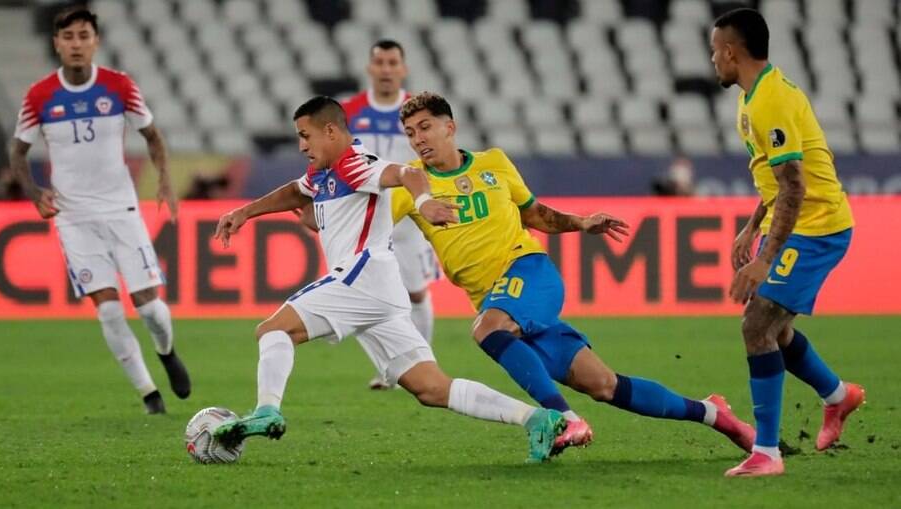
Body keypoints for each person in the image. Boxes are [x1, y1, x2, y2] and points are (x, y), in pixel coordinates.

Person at [393, 92, 755, 457]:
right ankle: (712, 413)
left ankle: (564, 418)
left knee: (487, 329)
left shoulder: (494, 163)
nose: (418, 139)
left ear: (450, 127)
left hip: (529, 272)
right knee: (604, 385)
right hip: (499, 302)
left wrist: (581, 222)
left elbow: (533, 214)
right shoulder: (411, 185)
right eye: (410, 133)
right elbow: (368, 217)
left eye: (425, 127)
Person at [212, 96, 568, 463]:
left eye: (306, 136)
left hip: (359, 278)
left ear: (331, 131)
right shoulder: (323, 170)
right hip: (380, 292)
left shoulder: (356, 163)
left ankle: (267, 410)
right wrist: (245, 211)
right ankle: (538, 418)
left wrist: (425, 201)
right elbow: (295, 191)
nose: (302, 145)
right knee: (431, 388)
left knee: (272, 330)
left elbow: (407, 174)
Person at [8, 7, 190, 414]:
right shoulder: (39, 96)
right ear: (56, 43)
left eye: (83, 36)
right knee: (108, 308)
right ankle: (149, 395)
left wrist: (164, 181)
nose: (76, 44)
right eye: (68, 37)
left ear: (96, 41)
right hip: (74, 217)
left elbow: (153, 136)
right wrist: (34, 190)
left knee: (149, 306)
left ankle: (166, 351)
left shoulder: (119, 86)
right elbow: (17, 152)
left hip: (122, 209)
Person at [710, 8, 864, 477]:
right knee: (773, 329)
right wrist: (752, 224)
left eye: (716, 51)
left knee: (757, 326)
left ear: (732, 52)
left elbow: (795, 187)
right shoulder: (752, 97)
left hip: (816, 226)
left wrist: (764, 261)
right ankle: (838, 397)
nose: (713, 60)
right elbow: (775, 182)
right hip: (795, 222)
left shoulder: (769, 102)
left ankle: (768, 453)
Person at [305, 39, 439, 390]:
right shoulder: (349, 111)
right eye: (379, 62)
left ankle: (424, 363)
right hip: (359, 211)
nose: (386, 69)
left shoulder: (415, 113)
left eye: (393, 62)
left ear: (403, 69)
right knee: (365, 289)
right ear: (370, 68)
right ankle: (392, 369)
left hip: (408, 209)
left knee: (416, 293)